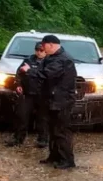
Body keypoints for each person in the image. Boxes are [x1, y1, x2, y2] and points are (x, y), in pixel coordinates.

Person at [20, 35, 77, 169]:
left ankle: (67, 161)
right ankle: (54, 157)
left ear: (50, 45)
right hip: (51, 100)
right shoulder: (52, 58)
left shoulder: (62, 59)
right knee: (52, 130)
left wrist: (29, 71)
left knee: (61, 131)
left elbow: (46, 74)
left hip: (61, 101)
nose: (42, 50)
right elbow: (41, 72)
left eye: (44, 46)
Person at [6, 42, 49, 148]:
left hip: (42, 94)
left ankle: (43, 139)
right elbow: (19, 73)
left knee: (42, 118)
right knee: (21, 116)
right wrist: (18, 84)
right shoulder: (28, 60)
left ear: (46, 51)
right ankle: (18, 138)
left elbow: (48, 76)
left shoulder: (49, 62)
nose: (39, 52)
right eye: (37, 50)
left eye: (41, 50)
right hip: (27, 93)